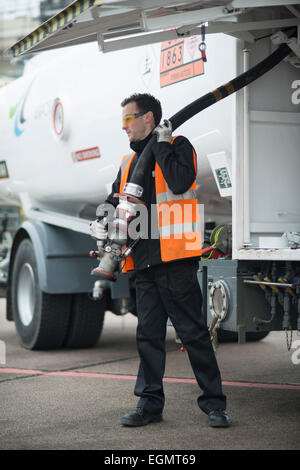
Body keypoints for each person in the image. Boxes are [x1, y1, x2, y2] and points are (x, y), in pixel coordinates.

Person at [90, 93, 230, 428]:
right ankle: (149, 405)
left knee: (193, 335)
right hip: (143, 263)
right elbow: (114, 200)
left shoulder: (179, 146)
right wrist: (102, 220)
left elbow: (181, 182)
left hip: (176, 260)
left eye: (129, 119)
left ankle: (215, 405)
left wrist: (163, 144)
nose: (124, 127)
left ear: (149, 118)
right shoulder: (127, 163)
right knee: (148, 337)